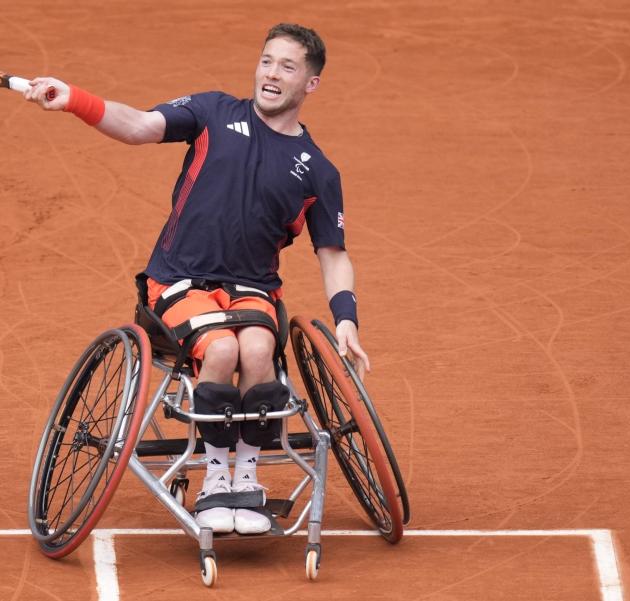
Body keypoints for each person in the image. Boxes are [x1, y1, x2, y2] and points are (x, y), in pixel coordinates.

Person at [23, 23, 370, 535]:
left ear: (310, 84)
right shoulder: (213, 113)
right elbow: (139, 125)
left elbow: (334, 254)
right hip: (177, 282)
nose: (271, 74)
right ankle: (213, 478)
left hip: (251, 289)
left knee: (256, 351)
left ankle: (244, 477)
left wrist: (347, 320)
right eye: (267, 61)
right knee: (224, 351)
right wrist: (73, 97)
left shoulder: (316, 169)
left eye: (287, 67)